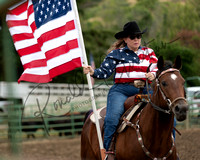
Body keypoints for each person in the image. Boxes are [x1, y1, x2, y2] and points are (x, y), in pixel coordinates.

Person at [83, 21, 158, 158]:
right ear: (125, 39)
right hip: (122, 90)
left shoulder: (149, 52)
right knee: (112, 118)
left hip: (145, 89)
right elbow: (104, 72)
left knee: (165, 113)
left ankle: (169, 149)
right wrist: (93, 72)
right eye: (132, 37)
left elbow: (156, 68)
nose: (136, 39)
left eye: (138, 36)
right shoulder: (116, 54)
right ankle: (109, 152)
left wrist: (153, 74)